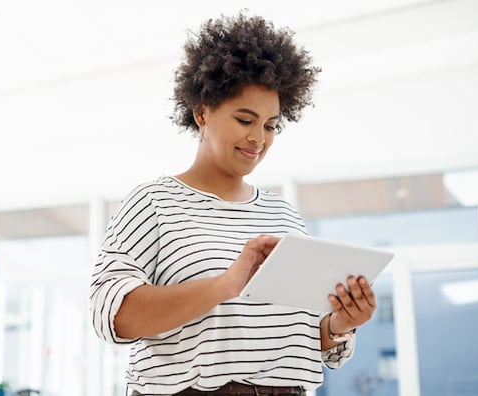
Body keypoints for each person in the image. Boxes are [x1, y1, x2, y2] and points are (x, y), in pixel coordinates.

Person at [90, 12, 377, 396]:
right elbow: (112, 317)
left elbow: (303, 339)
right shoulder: (153, 202)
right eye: (245, 119)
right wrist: (226, 283)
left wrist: (339, 324)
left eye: (271, 125)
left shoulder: (283, 214)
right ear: (202, 113)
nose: (259, 138)